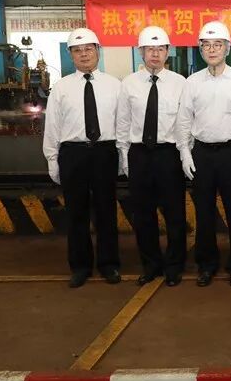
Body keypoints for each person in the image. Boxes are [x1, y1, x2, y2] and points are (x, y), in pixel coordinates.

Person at [175, 21, 231, 288]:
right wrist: (185, 152)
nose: (212, 49)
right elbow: (184, 120)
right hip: (202, 154)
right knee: (204, 212)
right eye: (206, 45)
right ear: (200, 50)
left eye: (217, 44)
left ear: (227, 48)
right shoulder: (192, 82)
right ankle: (206, 265)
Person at [43, 27, 121, 288]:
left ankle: (109, 264)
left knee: (106, 211)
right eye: (78, 50)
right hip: (73, 153)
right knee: (76, 213)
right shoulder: (61, 88)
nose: (84, 54)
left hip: (105, 152)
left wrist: (123, 155)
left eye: (88, 49)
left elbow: (122, 123)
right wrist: (52, 158)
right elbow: (52, 126)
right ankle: (80, 267)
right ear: (71, 55)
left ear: (98, 51)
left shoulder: (114, 85)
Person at [116, 26, 187, 287]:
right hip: (139, 154)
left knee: (175, 213)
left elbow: (185, 122)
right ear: (141, 52)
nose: (155, 54)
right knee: (143, 214)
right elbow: (123, 122)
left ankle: (174, 266)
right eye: (149, 49)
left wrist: (185, 153)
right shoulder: (129, 83)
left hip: (169, 154)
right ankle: (151, 265)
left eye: (160, 49)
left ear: (168, 52)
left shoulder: (180, 83)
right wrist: (124, 156)